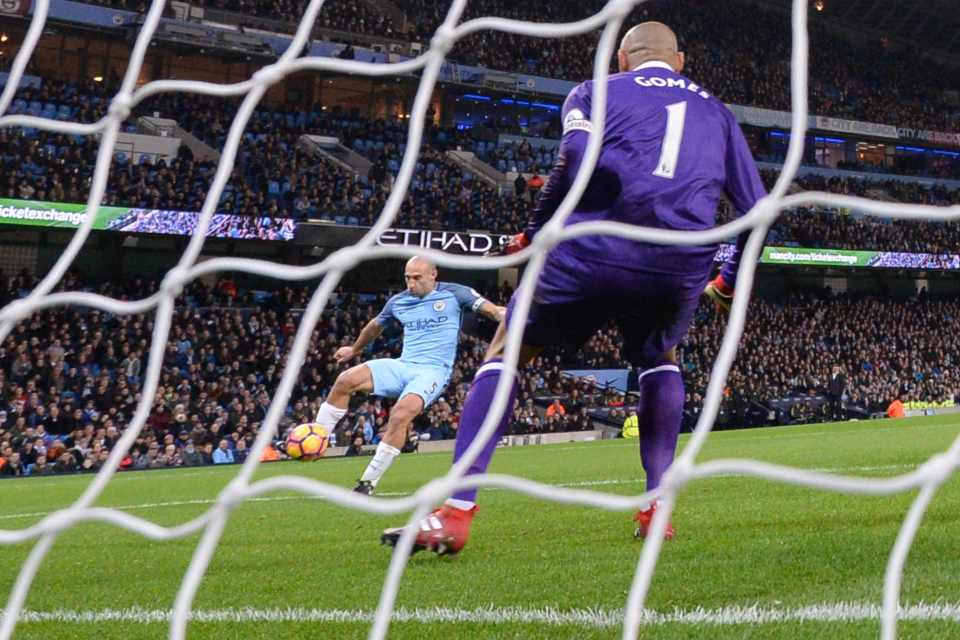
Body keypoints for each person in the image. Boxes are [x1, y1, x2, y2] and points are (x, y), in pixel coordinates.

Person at [382, 22, 766, 555]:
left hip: (593, 249)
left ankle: (456, 512)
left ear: (623, 60)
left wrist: (535, 231)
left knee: (508, 349)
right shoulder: (718, 112)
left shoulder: (595, 90)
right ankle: (658, 509)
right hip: (679, 262)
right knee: (660, 356)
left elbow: (577, 157)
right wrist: (728, 278)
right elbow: (758, 209)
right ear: (679, 61)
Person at [312, 256, 504, 495]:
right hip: (404, 365)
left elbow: (492, 311)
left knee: (400, 414)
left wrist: (506, 317)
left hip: (433, 371)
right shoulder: (399, 302)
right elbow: (374, 326)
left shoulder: (456, 293)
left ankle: (367, 482)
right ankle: (316, 441)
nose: (411, 284)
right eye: (407, 278)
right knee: (345, 380)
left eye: (417, 278)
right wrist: (354, 349)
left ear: (434, 274)